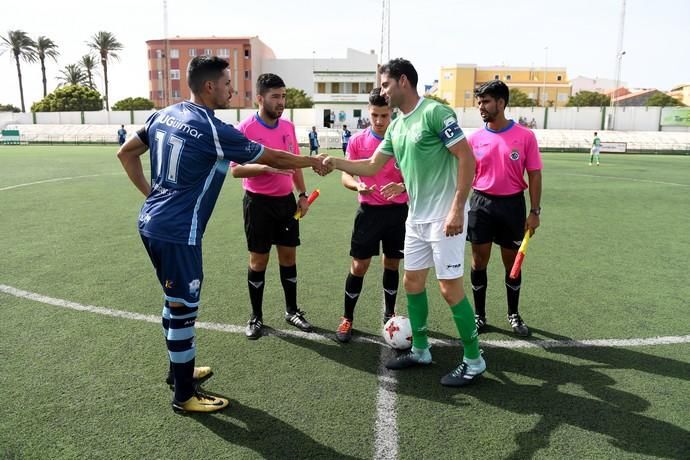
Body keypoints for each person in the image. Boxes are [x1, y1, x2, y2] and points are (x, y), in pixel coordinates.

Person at [117, 56, 327, 414]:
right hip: (179, 232)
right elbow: (275, 159)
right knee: (183, 309)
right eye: (229, 84)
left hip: (150, 222)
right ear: (211, 86)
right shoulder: (215, 130)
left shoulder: (162, 114)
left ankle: (177, 370)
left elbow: (125, 153)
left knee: (173, 302)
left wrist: (151, 194)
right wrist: (313, 162)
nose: (233, 90)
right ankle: (185, 395)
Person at [324, 58, 485, 387]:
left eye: (385, 84)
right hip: (416, 219)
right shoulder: (396, 126)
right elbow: (370, 165)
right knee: (412, 283)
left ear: (402, 81)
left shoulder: (435, 113)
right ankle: (422, 350)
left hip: (445, 218)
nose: (382, 91)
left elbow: (466, 158)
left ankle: (474, 359)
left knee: (448, 289)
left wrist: (457, 209)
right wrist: (333, 162)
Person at [231, 73, 314, 340]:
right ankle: (256, 316)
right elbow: (236, 170)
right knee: (259, 260)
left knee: (289, 258)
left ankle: (292, 310)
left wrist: (302, 194)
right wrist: (266, 167)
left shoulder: (288, 127)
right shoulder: (245, 128)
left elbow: (296, 162)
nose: (281, 102)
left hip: (286, 203)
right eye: (275, 97)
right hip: (258, 204)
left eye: (284, 96)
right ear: (260, 98)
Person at [467, 80, 543, 337]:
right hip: (481, 203)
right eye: (479, 102)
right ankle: (479, 315)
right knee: (479, 262)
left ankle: (513, 314)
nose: (481, 107)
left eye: (486, 101)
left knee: (512, 264)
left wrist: (535, 211)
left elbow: (534, 174)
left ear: (501, 103)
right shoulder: (474, 139)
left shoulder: (525, 136)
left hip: (512, 205)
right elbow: (463, 174)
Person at [335, 88, 407, 343]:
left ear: (392, 113)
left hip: (398, 212)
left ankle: (389, 313)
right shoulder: (357, 141)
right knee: (359, 266)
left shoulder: (402, 139)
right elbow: (346, 174)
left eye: (384, 115)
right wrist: (357, 185)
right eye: (375, 115)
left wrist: (404, 186)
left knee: (392, 263)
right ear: (369, 111)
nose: (379, 120)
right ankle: (347, 318)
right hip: (368, 213)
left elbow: (417, 175)